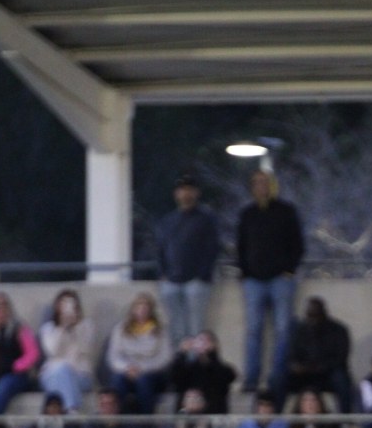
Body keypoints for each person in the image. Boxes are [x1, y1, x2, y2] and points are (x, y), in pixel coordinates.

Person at [236, 169, 305, 393]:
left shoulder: (286, 211)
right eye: (257, 182)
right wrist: (245, 272)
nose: (261, 186)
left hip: (280, 280)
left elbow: (298, 243)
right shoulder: (247, 214)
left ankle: (278, 377)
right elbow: (240, 245)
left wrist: (289, 269)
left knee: (283, 330)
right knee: (253, 331)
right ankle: (251, 379)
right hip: (253, 281)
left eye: (265, 182)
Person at [155, 173, 220, 345]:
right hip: (171, 281)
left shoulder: (206, 219)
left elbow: (213, 248)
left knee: (196, 330)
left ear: (196, 193)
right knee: (176, 329)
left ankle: (195, 361)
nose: (186, 193)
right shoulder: (168, 220)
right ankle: (179, 360)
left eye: (189, 190)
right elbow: (160, 248)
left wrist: (202, 275)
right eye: (182, 190)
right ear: (176, 194)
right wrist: (162, 274)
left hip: (197, 282)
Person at [279, 296, 354, 413]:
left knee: (342, 380)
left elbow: (340, 358)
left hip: (327, 374)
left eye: (316, 316)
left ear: (324, 314)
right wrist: (296, 366)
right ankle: (275, 416)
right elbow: (292, 354)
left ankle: (346, 417)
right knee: (278, 378)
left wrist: (320, 367)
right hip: (303, 375)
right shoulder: (299, 330)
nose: (313, 321)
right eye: (310, 316)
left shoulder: (339, 330)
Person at [38, 288, 105, 411]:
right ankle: (72, 411)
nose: (67, 307)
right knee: (62, 370)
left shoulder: (87, 325)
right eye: (63, 303)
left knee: (61, 377)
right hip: (53, 374)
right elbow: (53, 351)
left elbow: (86, 349)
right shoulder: (48, 328)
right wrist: (63, 327)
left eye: (70, 303)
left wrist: (76, 327)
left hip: (81, 375)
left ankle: (61, 414)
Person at [106, 292, 173, 414]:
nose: (142, 310)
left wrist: (142, 368)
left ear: (151, 310)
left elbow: (165, 357)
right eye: (139, 306)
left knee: (144, 381)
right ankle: (119, 420)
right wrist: (126, 368)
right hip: (127, 371)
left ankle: (146, 420)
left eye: (145, 307)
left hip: (152, 372)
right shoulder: (120, 329)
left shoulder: (160, 330)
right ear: (133, 309)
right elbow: (114, 357)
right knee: (117, 380)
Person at [169, 329, 237, 414]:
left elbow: (229, 376)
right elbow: (174, 378)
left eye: (207, 341)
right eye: (200, 340)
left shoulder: (222, 368)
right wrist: (182, 353)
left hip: (213, 410)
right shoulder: (189, 367)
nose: (203, 344)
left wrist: (211, 354)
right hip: (188, 412)